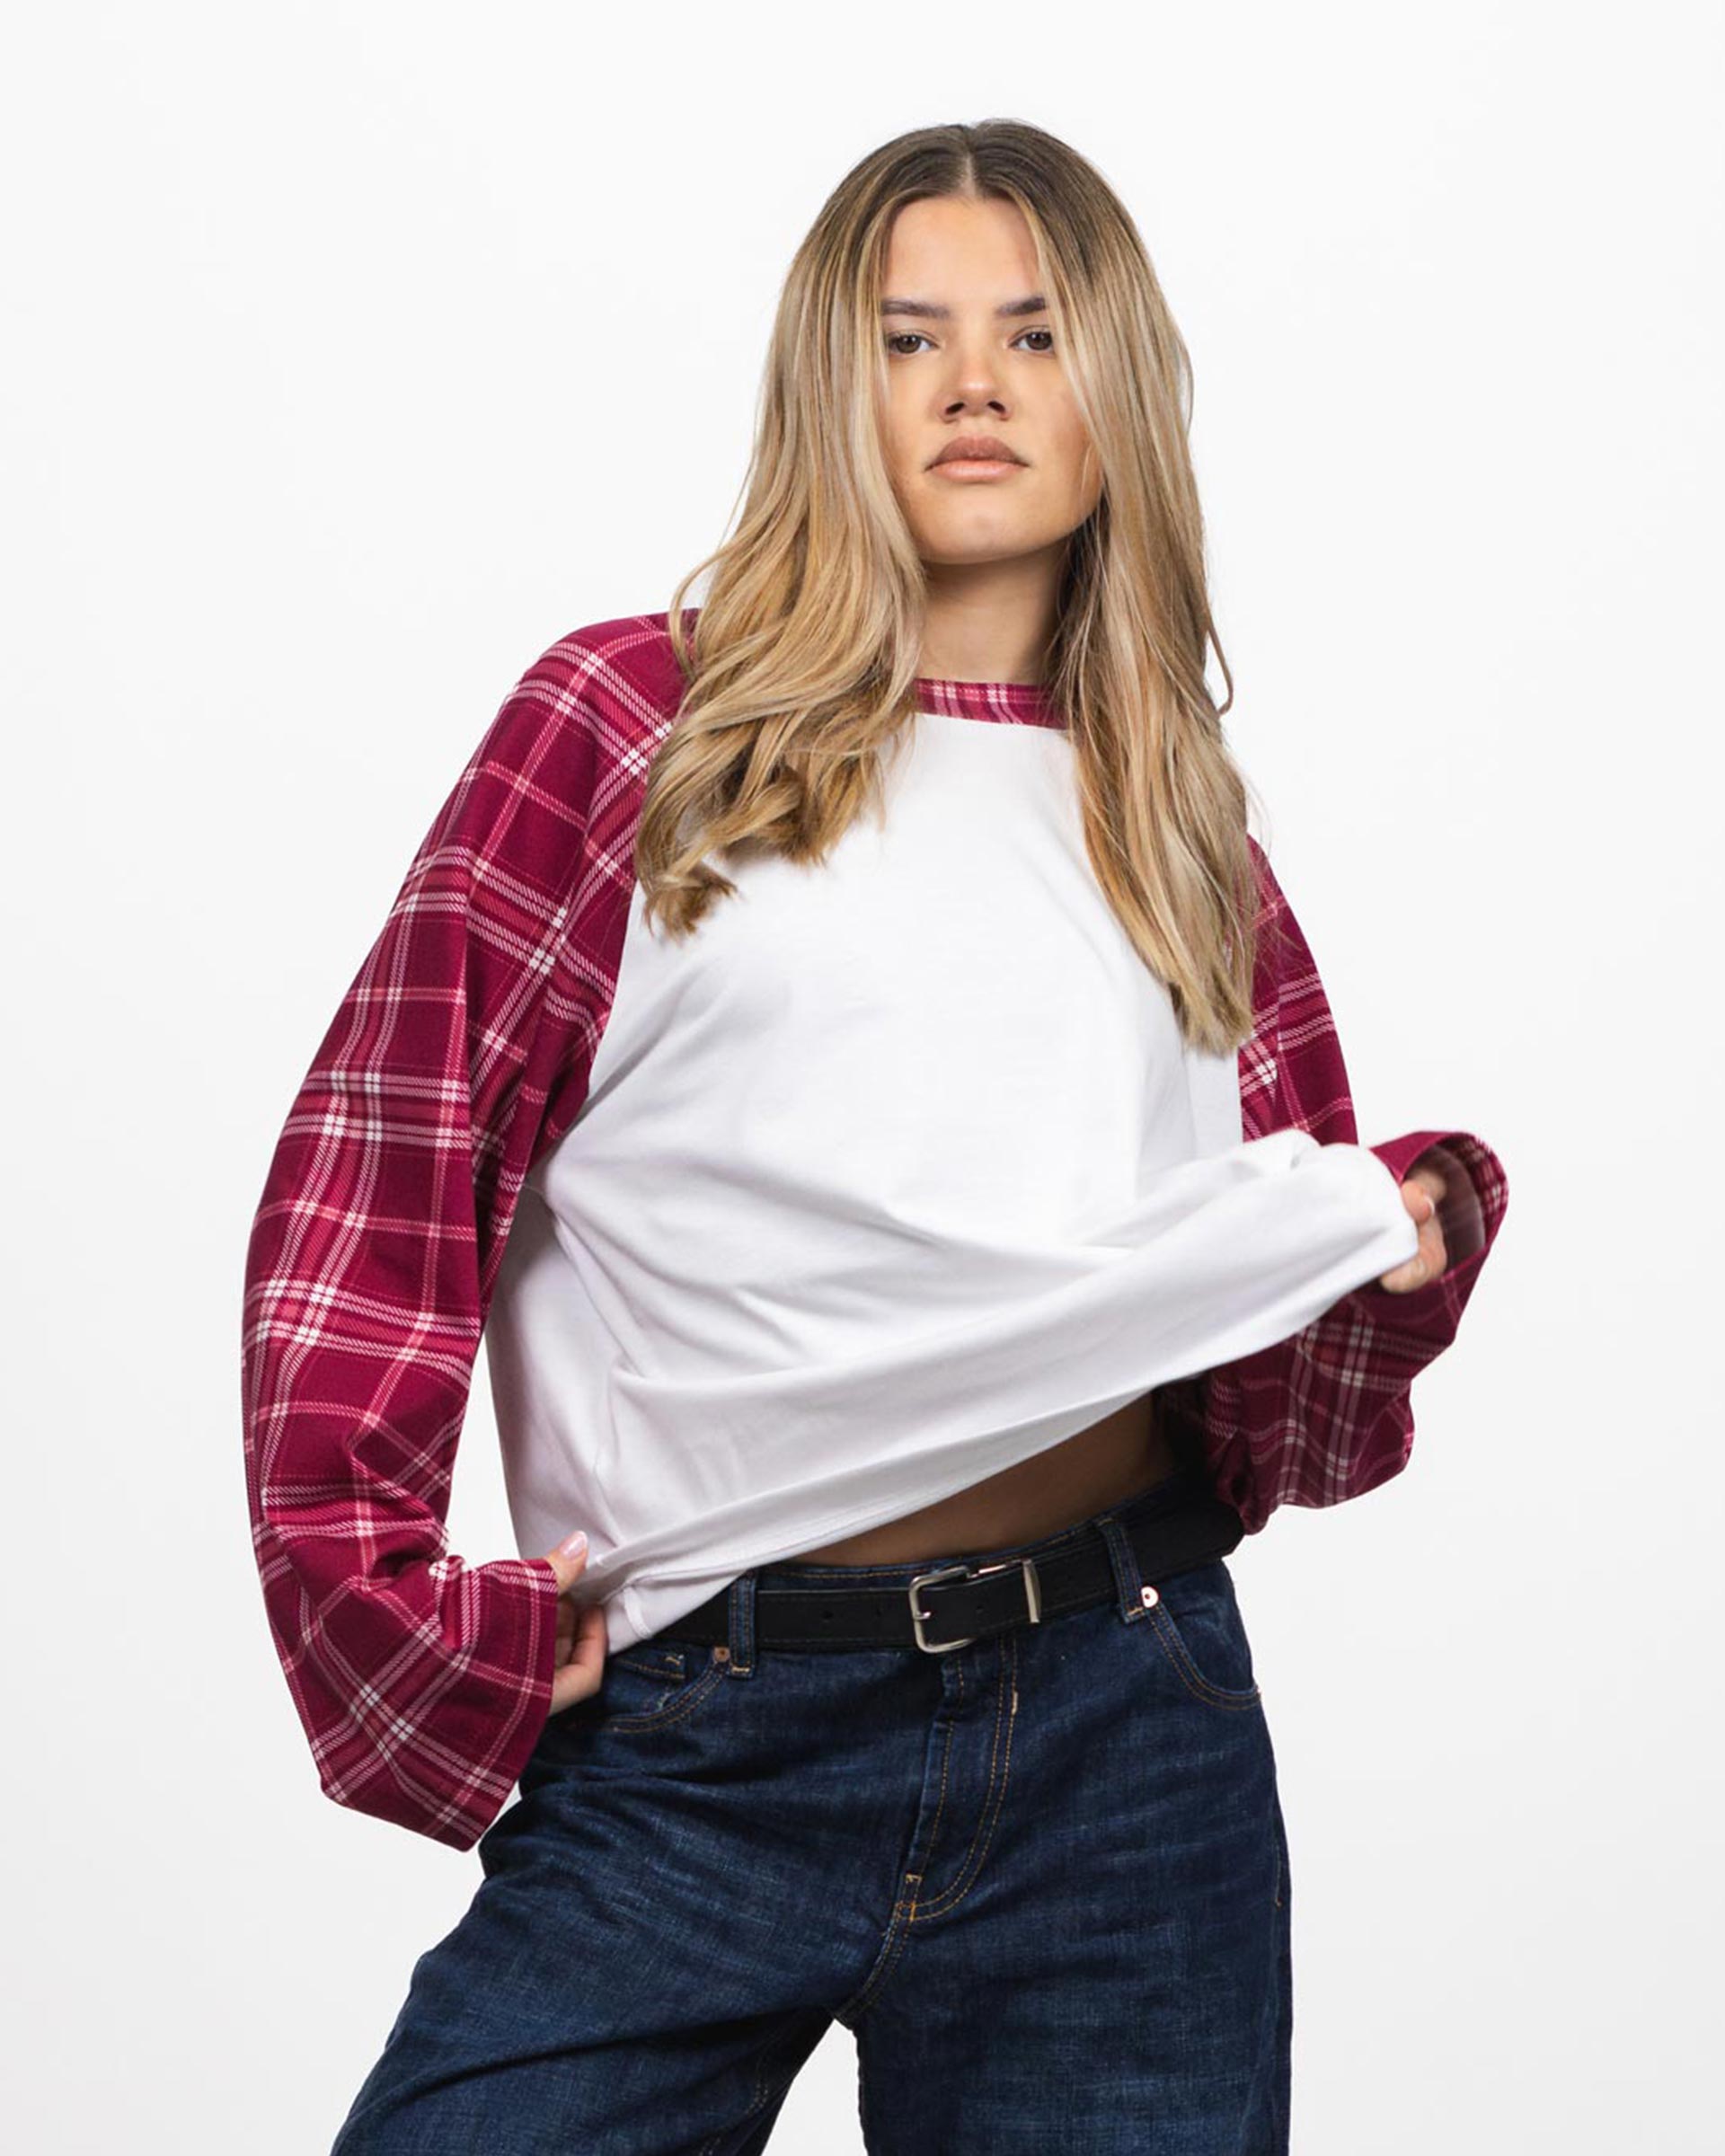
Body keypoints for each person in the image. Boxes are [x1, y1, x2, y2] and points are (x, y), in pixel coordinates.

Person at [241, 119, 1509, 2154]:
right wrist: (391, 1612)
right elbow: (381, 1178)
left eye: (1033, 334)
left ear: (1118, 389)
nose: (973, 384)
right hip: (701, 1728)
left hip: (1125, 1727)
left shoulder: (1172, 814)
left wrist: (1392, 1248)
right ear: (832, 386)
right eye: (910, 338)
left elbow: (1261, 1354)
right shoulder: (633, 731)